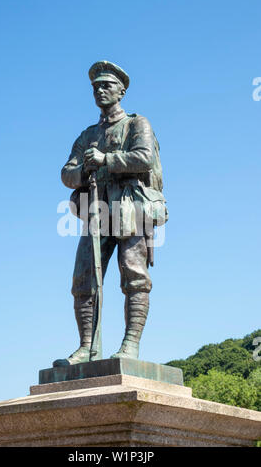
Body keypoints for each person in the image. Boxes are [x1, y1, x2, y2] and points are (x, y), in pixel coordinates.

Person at [56, 61, 167, 365]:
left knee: (134, 275)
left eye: (106, 85)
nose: (100, 90)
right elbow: (66, 174)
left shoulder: (136, 124)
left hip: (131, 207)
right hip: (97, 211)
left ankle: (130, 345)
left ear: (122, 90)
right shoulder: (87, 134)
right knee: (83, 280)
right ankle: (86, 347)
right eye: (95, 86)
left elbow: (144, 158)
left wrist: (106, 158)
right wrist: (83, 169)